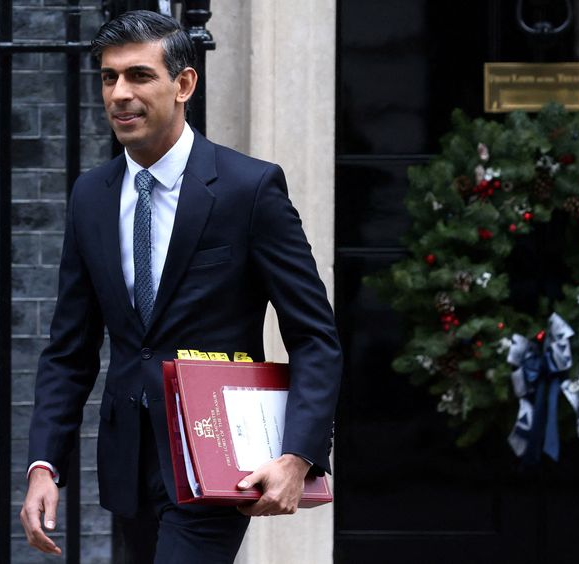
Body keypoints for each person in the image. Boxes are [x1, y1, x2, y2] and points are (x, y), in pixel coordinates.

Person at [19, 9, 342, 563]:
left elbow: (315, 335)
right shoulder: (90, 197)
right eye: (109, 77)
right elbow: (69, 349)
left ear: (184, 83)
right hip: (127, 463)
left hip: (217, 460)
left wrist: (298, 456)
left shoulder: (250, 189)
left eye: (139, 76)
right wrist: (44, 463)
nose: (120, 93)